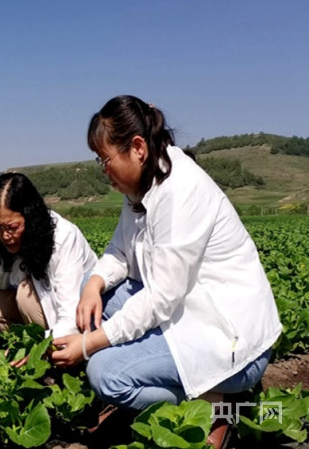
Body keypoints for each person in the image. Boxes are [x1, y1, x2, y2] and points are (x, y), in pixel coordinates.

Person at [50, 95, 281, 447]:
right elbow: (119, 251)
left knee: (106, 374)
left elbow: (162, 297)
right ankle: (178, 389)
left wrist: (89, 344)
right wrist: (93, 284)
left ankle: (220, 409)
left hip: (231, 341)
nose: (103, 170)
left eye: (105, 159)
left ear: (137, 148)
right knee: (94, 290)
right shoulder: (143, 185)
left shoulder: (181, 191)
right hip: (188, 309)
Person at [0, 172, 97, 367]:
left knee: (25, 294)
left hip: (78, 317)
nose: (5, 235)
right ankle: (28, 345)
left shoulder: (64, 237)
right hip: (37, 314)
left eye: (13, 227)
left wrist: (36, 346)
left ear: (31, 218)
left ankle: (47, 350)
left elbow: (69, 312)